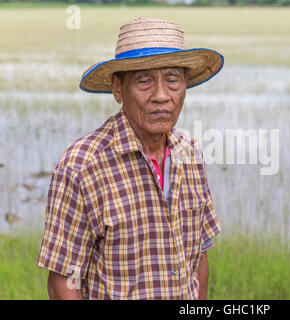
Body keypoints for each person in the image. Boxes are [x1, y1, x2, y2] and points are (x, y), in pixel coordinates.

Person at [36, 17, 224, 300]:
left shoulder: (191, 153)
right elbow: (63, 281)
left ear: (185, 84)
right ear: (118, 89)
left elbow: (198, 258)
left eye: (172, 79)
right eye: (144, 80)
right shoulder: (82, 166)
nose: (162, 96)